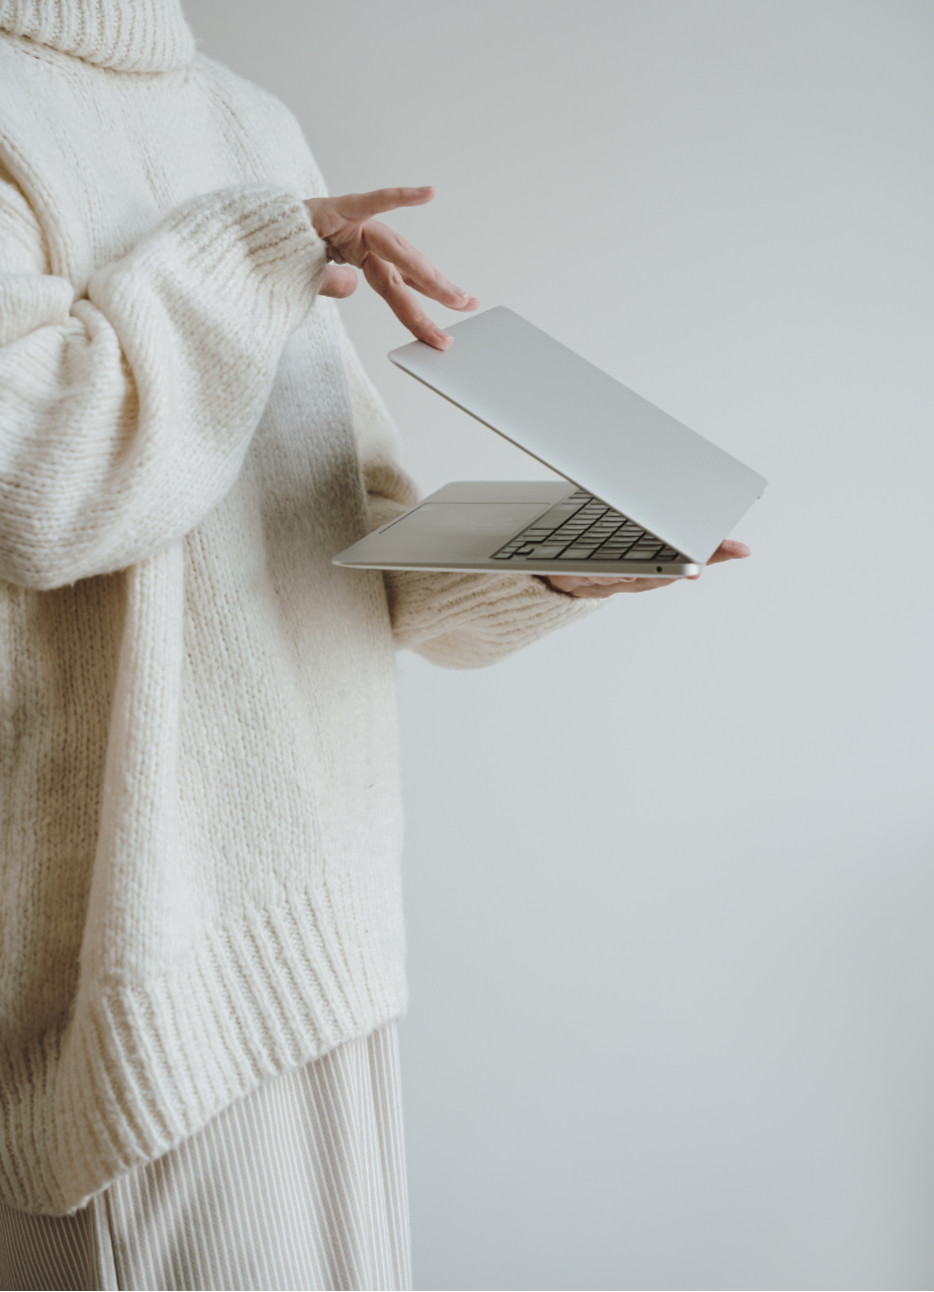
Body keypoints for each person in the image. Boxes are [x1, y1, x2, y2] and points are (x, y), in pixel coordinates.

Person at [0, 1, 749, 1287]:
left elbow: (343, 538)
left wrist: (552, 558)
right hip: (139, 963)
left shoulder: (250, 120)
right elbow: (41, 489)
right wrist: (246, 256)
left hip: (320, 923)